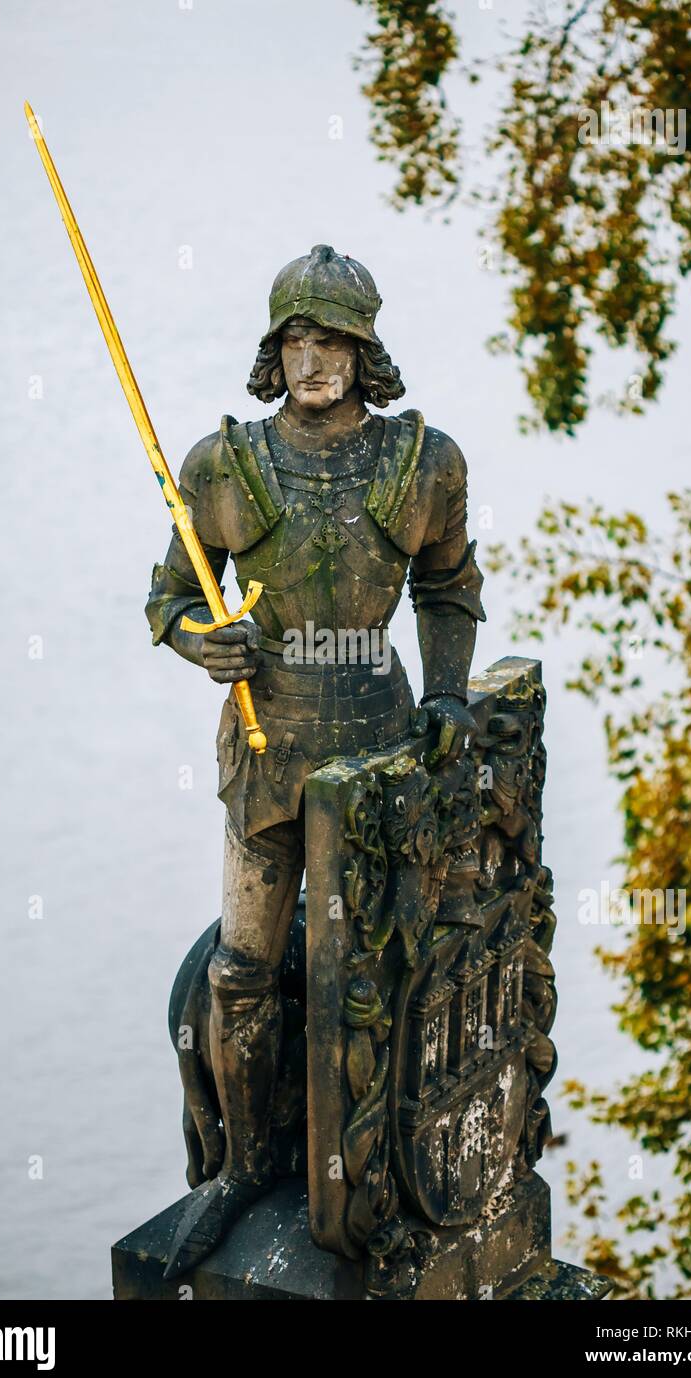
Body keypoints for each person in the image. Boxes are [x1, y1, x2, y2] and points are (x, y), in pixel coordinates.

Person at [146, 245, 485, 1277]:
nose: (311, 358)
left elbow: (447, 585)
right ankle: (241, 1170)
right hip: (266, 746)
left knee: (375, 970)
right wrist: (206, 640)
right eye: (294, 338)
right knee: (245, 967)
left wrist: (447, 693)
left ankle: (377, 1172)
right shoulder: (222, 464)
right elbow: (167, 597)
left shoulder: (424, 462)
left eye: (330, 338)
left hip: (379, 758)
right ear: (272, 350)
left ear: (363, 350)